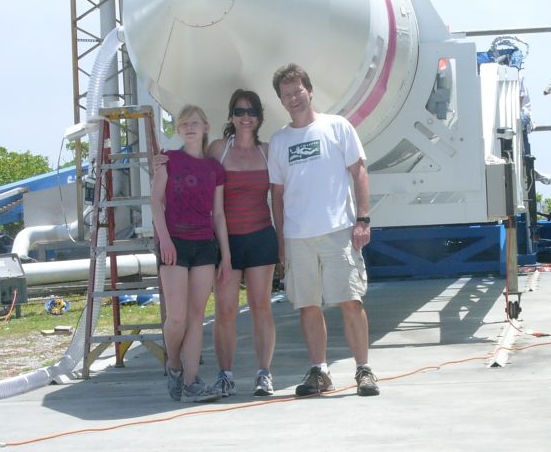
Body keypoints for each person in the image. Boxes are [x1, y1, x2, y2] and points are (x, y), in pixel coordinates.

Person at [267, 63, 379, 398]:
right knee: (307, 305)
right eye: (287, 95)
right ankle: (319, 370)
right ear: (281, 101)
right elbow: (277, 193)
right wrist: (281, 242)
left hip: (338, 231)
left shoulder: (337, 127)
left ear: (309, 91)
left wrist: (363, 219)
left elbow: (358, 171)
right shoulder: (280, 140)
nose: (294, 98)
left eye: (298, 91)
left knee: (350, 301)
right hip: (298, 236)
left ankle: (364, 370)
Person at [150, 105, 232, 403]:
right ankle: (173, 363)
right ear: (178, 129)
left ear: (206, 125)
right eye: (183, 124)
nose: (189, 128)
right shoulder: (168, 160)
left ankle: (192, 380)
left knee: (197, 316)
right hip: (175, 244)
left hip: (204, 246)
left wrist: (226, 254)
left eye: (195, 123)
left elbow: (219, 215)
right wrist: (165, 241)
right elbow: (156, 203)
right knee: (177, 317)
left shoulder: (214, 169)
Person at [205, 90, 279, 397]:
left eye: (251, 111)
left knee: (262, 307)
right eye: (239, 111)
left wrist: (284, 242)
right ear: (231, 116)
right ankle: (225, 374)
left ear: (259, 117)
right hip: (226, 241)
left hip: (261, 236)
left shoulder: (268, 150)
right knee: (225, 310)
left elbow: (279, 197)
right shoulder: (218, 149)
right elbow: (193, 169)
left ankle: (264, 373)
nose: (245, 116)